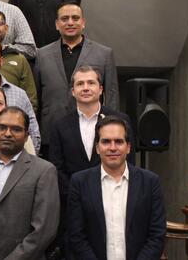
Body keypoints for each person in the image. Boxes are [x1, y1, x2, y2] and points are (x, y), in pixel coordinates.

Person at [49, 66, 135, 259]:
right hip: (73, 206)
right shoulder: (59, 125)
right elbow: (56, 167)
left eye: (91, 83)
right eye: (80, 84)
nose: (85, 88)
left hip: (116, 201)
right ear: (73, 91)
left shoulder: (121, 120)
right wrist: (79, 192)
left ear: (101, 88)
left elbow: (130, 162)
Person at [0, 107, 59, 260]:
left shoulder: (44, 171)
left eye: (16, 129)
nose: (7, 134)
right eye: (2, 127)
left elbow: (44, 230)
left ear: (27, 135)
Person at [67, 116, 166, 259]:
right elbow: (76, 236)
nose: (112, 148)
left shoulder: (150, 182)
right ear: (97, 148)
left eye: (119, 142)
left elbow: (157, 235)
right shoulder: (80, 182)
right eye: (106, 141)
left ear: (128, 147)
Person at [34, 2, 119, 158]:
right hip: (51, 134)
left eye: (75, 18)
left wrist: (110, 129)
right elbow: (36, 98)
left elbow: (112, 97)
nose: (70, 22)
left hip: (93, 135)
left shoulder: (104, 54)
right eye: (65, 18)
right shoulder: (42, 55)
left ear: (83, 22)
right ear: (57, 24)